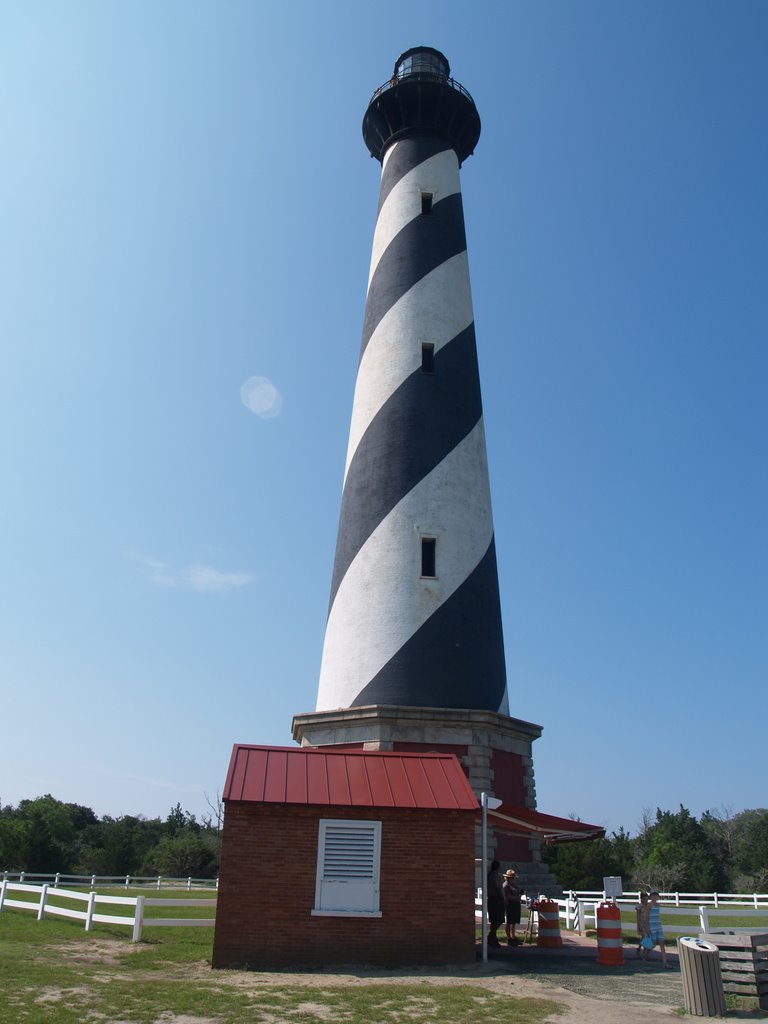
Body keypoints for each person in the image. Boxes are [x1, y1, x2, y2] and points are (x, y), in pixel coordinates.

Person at [648, 890, 671, 968]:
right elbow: (646, 915)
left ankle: (665, 962)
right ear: (650, 896)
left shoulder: (658, 905)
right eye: (653, 895)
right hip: (651, 926)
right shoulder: (649, 905)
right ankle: (644, 955)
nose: (654, 897)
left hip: (658, 926)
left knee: (662, 943)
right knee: (652, 943)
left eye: (656, 895)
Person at [487, 860, 505, 948]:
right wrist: (503, 899)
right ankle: (492, 936)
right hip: (496, 899)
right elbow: (498, 888)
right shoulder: (495, 876)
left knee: (494, 920)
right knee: (499, 919)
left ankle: (492, 937)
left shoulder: (489, 875)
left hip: (491, 899)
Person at [503, 868, 523, 945]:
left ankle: (513, 937)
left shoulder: (514, 885)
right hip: (510, 905)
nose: (512, 879)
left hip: (516, 904)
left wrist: (519, 894)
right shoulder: (505, 886)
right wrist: (516, 897)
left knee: (514, 922)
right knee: (509, 922)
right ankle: (509, 938)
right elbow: (507, 896)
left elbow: (517, 893)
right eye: (511, 878)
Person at [635, 890, 650, 959]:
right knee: (645, 936)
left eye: (647, 899)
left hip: (647, 923)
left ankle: (639, 949)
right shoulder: (639, 907)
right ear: (641, 899)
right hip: (642, 924)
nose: (646, 901)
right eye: (644, 899)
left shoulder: (648, 906)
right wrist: (638, 926)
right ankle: (645, 953)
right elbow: (638, 917)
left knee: (645, 937)